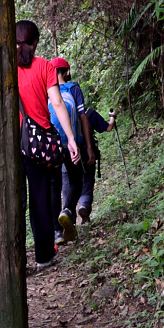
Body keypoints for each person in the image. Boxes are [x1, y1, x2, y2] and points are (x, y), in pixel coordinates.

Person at [16, 21, 80, 270]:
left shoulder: (5, 64)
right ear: (35, 42)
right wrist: (71, 138)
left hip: (14, 143)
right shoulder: (44, 66)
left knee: (16, 202)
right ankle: (43, 256)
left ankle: (16, 260)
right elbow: (58, 103)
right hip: (39, 142)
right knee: (40, 199)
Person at [48, 58, 92, 244]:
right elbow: (82, 117)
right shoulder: (73, 88)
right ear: (66, 71)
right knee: (76, 182)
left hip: (50, 145)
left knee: (53, 186)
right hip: (71, 143)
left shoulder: (47, 90)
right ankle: (67, 210)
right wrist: (88, 146)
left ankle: (57, 232)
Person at [74, 105, 116, 223]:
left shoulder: (62, 113)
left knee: (69, 185)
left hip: (69, 155)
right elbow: (108, 127)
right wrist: (112, 117)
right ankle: (84, 205)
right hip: (87, 153)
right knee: (87, 183)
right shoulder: (89, 113)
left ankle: (68, 215)